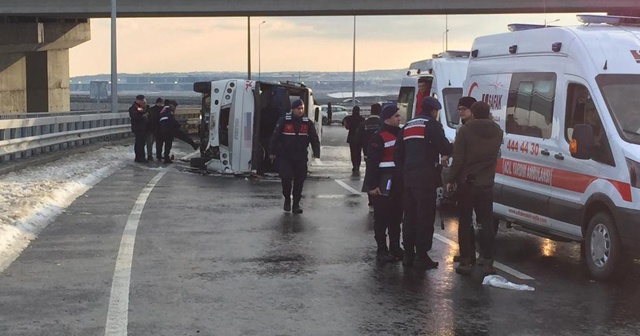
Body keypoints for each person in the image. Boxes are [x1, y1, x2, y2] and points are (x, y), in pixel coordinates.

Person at [394, 96, 453, 269]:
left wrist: (405, 170)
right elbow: (443, 147)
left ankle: (408, 255)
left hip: (409, 178)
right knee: (425, 217)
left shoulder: (408, 125)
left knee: (409, 216)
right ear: (434, 111)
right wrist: (453, 148)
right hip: (426, 178)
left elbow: (397, 153)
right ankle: (421, 255)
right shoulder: (431, 125)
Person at [446, 101, 503, 276]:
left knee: (465, 221)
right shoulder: (497, 131)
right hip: (486, 183)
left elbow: (459, 159)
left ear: (474, 114)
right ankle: (487, 261)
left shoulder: (465, 131)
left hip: (467, 182)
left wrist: (450, 179)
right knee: (486, 222)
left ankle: (466, 260)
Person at [365, 104, 404, 262]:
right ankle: (382, 248)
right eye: (396, 116)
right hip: (383, 181)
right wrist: (372, 186)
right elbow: (372, 162)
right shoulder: (379, 136)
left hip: (398, 182)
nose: (399, 118)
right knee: (381, 217)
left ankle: (395, 246)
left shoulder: (401, 134)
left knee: (396, 217)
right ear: (387, 118)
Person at [269, 99, 320, 214]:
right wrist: (272, 151)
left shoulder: (307, 123)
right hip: (285, 156)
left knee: (300, 181)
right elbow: (275, 137)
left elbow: (314, 138)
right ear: (293, 109)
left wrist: (316, 152)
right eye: (298, 108)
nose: (300, 111)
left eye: (302, 108)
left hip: (301, 156)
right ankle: (287, 198)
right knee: (286, 179)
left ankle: (296, 204)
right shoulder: (284, 121)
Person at [356, 103, 383, 212]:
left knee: (370, 174)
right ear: (380, 112)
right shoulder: (382, 124)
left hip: (368, 155)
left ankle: (371, 199)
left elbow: (357, 141)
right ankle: (380, 196)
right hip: (382, 155)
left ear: (371, 111)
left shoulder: (363, 125)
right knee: (381, 175)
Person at [343, 105, 365, 176]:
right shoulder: (362, 119)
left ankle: (354, 166)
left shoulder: (349, 118)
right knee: (359, 153)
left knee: (353, 153)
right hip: (360, 138)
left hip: (351, 138)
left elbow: (347, 127)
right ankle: (357, 166)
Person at [129, 94, 148, 163]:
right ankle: (139, 157)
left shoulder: (141, 107)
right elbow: (134, 117)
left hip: (142, 127)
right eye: (142, 100)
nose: (143, 101)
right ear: (139, 100)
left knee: (142, 143)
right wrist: (142, 116)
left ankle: (141, 157)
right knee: (139, 143)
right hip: (138, 128)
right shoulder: (134, 107)